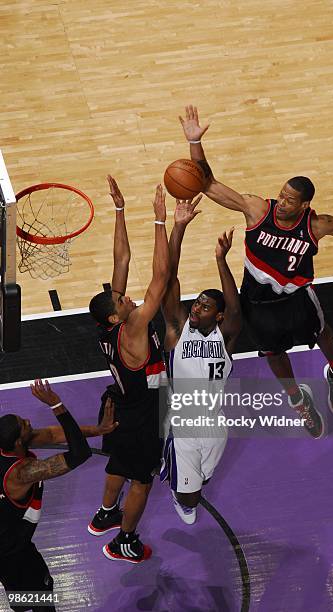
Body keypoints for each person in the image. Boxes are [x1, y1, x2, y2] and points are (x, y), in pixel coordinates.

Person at [179, 105, 333, 439]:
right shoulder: (257, 209)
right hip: (257, 303)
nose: (283, 201)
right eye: (283, 195)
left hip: (297, 297)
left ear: (304, 205)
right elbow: (210, 184)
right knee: (273, 354)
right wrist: (194, 143)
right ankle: (297, 399)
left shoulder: (317, 225)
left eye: (290, 200)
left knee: (323, 332)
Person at [88, 176, 169, 563]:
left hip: (121, 405)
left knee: (118, 463)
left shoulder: (108, 323)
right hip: (142, 415)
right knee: (141, 480)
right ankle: (124, 540)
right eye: (123, 299)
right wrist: (160, 222)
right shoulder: (133, 327)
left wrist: (119, 210)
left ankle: (105, 513)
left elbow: (121, 260)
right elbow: (159, 281)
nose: (128, 296)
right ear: (117, 313)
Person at [0, 379, 117, 612]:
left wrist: (100, 430)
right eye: (24, 424)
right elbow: (79, 453)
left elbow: (54, 435)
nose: (29, 422)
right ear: (17, 442)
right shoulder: (22, 473)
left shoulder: (10, 446)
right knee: (42, 592)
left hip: (7, 548)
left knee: (20, 596)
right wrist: (57, 405)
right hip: (12, 551)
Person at [160, 196, 241, 524]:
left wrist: (222, 260)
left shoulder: (227, 335)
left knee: (204, 479)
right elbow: (168, 278)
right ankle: (180, 487)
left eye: (205, 306)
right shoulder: (178, 330)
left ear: (218, 316)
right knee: (189, 499)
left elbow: (236, 309)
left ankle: (189, 479)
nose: (196, 307)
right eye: (196, 303)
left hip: (215, 424)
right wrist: (178, 227)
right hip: (181, 425)